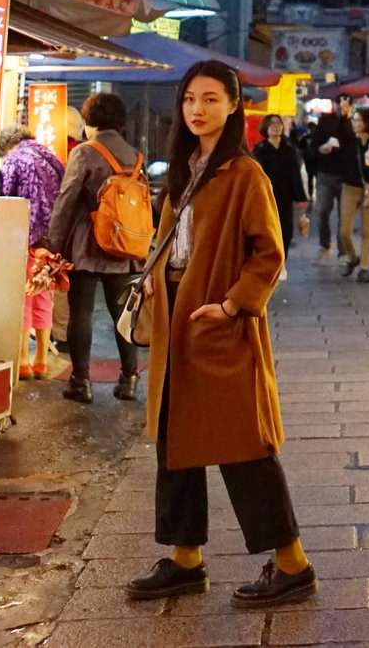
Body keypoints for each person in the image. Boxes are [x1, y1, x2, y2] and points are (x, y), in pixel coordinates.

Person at [127, 60, 315, 609]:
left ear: (234, 106)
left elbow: (268, 253)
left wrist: (232, 306)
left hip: (220, 325)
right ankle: (185, 559)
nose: (197, 109)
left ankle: (292, 564)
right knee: (174, 443)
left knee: (244, 448)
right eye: (189, 99)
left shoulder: (244, 174)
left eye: (210, 99)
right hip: (175, 326)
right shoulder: (184, 168)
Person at [44, 92, 143, 403]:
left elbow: (66, 201)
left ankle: (80, 381)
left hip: (87, 243)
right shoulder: (135, 155)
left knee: (81, 313)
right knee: (122, 315)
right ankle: (129, 378)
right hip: (123, 246)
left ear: (89, 120)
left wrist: (54, 245)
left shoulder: (86, 152)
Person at [0, 126, 66, 379]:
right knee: (43, 295)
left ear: (8, 145)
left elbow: (7, 198)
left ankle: (23, 361)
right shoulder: (53, 158)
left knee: (23, 296)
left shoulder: (15, 159)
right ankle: (41, 361)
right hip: (52, 239)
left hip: (26, 236)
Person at [250, 115, 306, 254]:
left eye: (278, 123)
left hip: (285, 197)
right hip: (265, 197)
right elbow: (253, 176)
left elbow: (295, 174)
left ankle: (281, 262)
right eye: (271, 124)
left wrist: (301, 197)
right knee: (267, 231)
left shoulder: (289, 148)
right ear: (265, 127)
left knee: (285, 232)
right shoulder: (259, 149)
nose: (275, 126)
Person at [307, 100, 353, 264]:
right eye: (339, 104)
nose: (342, 107)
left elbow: (354, 147)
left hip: (347, 176)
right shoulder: (325, 121)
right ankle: (325, 244)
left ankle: (343, 252)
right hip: (325, 173)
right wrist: (321, 149)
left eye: (346, 105)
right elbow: (313, 147)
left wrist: (347, 120)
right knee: (322, 210)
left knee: (344, 215)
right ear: (334, 105)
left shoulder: (354, 123)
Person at [339, 110, 369, 283]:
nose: (354, 123)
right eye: (353, 120)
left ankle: (364, 268)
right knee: (344, 231)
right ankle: (353, 257)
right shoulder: (349, 141)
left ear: (366, 122)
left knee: (367, 230)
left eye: (358, 120)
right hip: (350, 188)